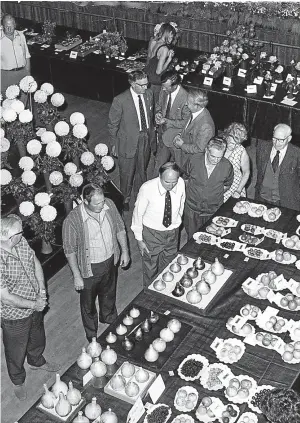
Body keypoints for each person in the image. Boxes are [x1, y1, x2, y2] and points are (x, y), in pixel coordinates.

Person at [0, 214, 59, 401]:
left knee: (37, 335)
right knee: (15, 350)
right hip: (14, 314)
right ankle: (18, 380)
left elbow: (34, 262)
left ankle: (36, 360)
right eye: (20, 231)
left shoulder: (21, 241)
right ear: (9, 237)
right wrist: (34, 304)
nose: (23, 234)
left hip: (36, 302)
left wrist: (41, 290)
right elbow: (6, 298)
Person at [62, 184, 130, 342]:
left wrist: (125, 251)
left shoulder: (109, 205)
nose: (102, 205)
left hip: (110, 259)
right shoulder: (72, 220)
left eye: (103, 201)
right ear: (85, 202)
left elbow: (120, 228)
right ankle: (92, 333)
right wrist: (77, 276)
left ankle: (109, 317)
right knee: (88, 303)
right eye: (97, 203)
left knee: (109, 292)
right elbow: (70, 250)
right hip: (89, 267)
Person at [131, 162, 185, 287]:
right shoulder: (147, 188)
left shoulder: (181, 183)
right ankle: (149, 294)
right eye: (167, 182)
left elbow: (181, 203)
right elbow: (137, 214)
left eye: (174, 181)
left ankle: (166, 291)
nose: (171, 185)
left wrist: (176, 222)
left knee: (170, 264)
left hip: (172, 232)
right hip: (152, 233)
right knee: (150, 266)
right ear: (159, 176)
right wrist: (139, 239)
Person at [108, 70, 155, 211]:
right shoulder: (120, 100)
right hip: (127, 142)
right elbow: (112, 124)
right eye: (142, 85)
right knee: (126, 172)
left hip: (145, 138)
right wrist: (114, 144)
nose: (146, 88)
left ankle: (141, 196)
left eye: (147, 84)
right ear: (133, 84)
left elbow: (150, 115)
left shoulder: (149, 94)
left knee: (142, 169)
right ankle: (125, 198)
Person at [183, 137, 234, 239]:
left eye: (219, 157)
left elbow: (227, 185)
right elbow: (185, 178)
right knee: (192, 239)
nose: (216, 160)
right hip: (192, 209)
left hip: (213, 210)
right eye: (213, 156)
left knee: (211, 238)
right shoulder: (194, 160)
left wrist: (212, 193)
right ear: (206, 150)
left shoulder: (227, 166)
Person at [255, 123, 300, 211]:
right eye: (274, 138)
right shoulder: (262, 147)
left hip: (286, 200)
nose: (276, 143)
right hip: (262, 197)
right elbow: (259, 169)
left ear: (289, 138)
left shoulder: (297, 154)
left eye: (281, 140)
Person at [154, 70, 191, 173]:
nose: (163, 89)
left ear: (175, 85)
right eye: (163, 86)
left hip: (176, 138)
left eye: (166, 87)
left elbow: (185, 123)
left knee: (179, 168)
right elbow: (159, 104)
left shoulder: (186, 99)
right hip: (163, 134)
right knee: (158, 166)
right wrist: (158, 112)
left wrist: (166, 121)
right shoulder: (164, 90)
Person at [173, 88, 215, 169]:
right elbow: (187, 126)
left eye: (188, 103)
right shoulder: (195, 111)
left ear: (197, 106)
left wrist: (182, 145)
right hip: (183, 157)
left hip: (191, 163)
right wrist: (179, 134)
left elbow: (200, 149)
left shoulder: (206, 126)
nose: (185, 104)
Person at [145, 22, 176, 101]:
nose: (172, 38)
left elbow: (150, 58)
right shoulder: (165, 49)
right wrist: (169, 60)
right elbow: (159, 71)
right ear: (169, 33)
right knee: (157, 105)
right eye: (172, 36)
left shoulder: (154, 42)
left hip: (148, 77)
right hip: (156, 81)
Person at [1, 14, 31, 96]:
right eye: (7, 26)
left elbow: (27, 56)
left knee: (23, 102)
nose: (9, 29)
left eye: (11, 26)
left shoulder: (21, 36)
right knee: (8, 104)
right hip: (6, 75)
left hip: (22, 73)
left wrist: (28, 73)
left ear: (15, 25)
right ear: (2, 26)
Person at [223, 122, 250, 201]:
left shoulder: (241, 151)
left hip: (234, 186)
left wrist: (238, 190)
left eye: (237, 144)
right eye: (231, 143)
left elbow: (246, 172)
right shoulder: (219, 145)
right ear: (226, 136)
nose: (233, 146)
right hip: (218, 184)